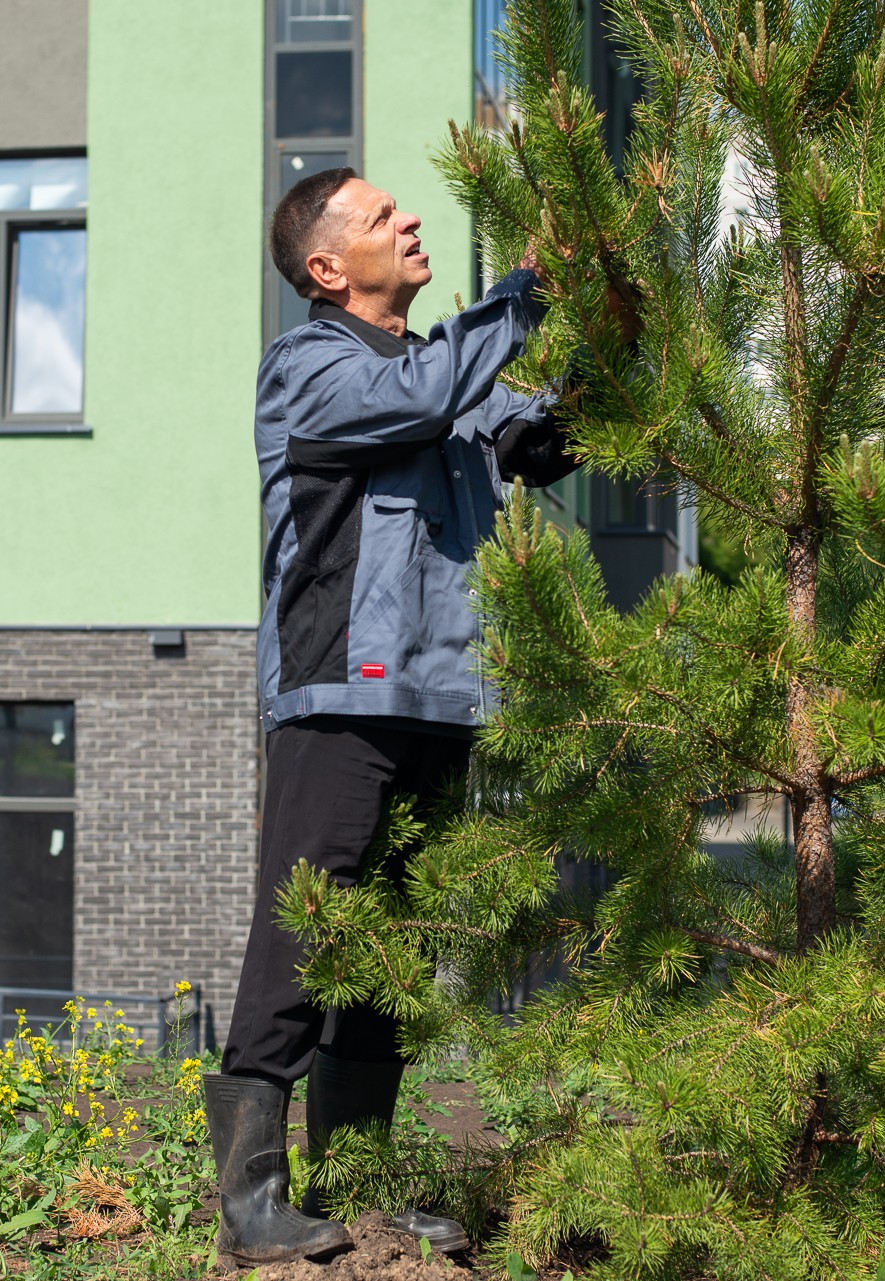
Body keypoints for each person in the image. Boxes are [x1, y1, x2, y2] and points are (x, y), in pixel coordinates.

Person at [203, 166, 578, 1268]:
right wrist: (525, 292)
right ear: (327, 267)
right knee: (304, 936)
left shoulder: (444, 373)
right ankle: (250, 1201)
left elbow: (544, 442)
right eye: (380, 217)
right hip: (340, 697)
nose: (410, 219)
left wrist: (613, 325)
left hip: (442, 700)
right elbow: (417, 403)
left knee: (391, 956)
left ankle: (355, 1189)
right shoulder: (309, 367)